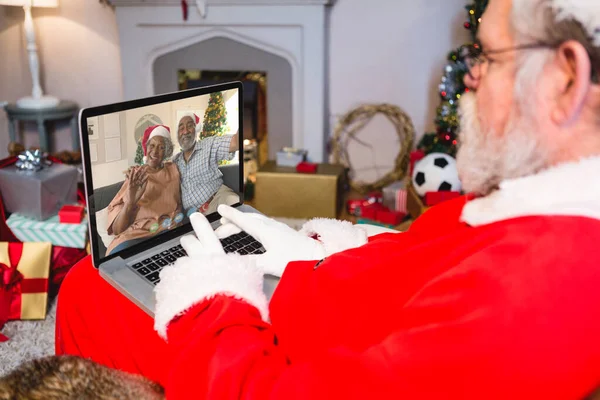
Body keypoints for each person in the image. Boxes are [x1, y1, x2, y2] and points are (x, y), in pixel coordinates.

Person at [56, 0, 600, 398]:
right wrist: (322, 247)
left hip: (269, 346)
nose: (470, 77)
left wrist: (212, 292)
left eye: (489, 57)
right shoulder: (542, 214)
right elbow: (420, 265)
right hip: (310, 297)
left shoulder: (540, 293)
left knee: (89, 285)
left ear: (565, 79)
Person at [105, 125, 182, 255]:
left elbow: (177, 204)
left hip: (163, 232)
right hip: (134, 236)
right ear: (146, 148)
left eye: (161, 147)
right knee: (115, 265)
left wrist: (177, 220)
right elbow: (118, 229)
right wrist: (130, 203)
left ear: (167, 151)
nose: (155, 151)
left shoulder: (173, 170)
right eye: (152, 145)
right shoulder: (136, 175)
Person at [173, 112, 240, 216]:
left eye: (190, 126)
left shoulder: (208, 145)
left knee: (236, 205)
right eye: (181, 128)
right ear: (178, 134)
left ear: (196, 129)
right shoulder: (175, 162)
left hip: (218, 199)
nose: (185, 131)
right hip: (196, 216)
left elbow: (235, 142)